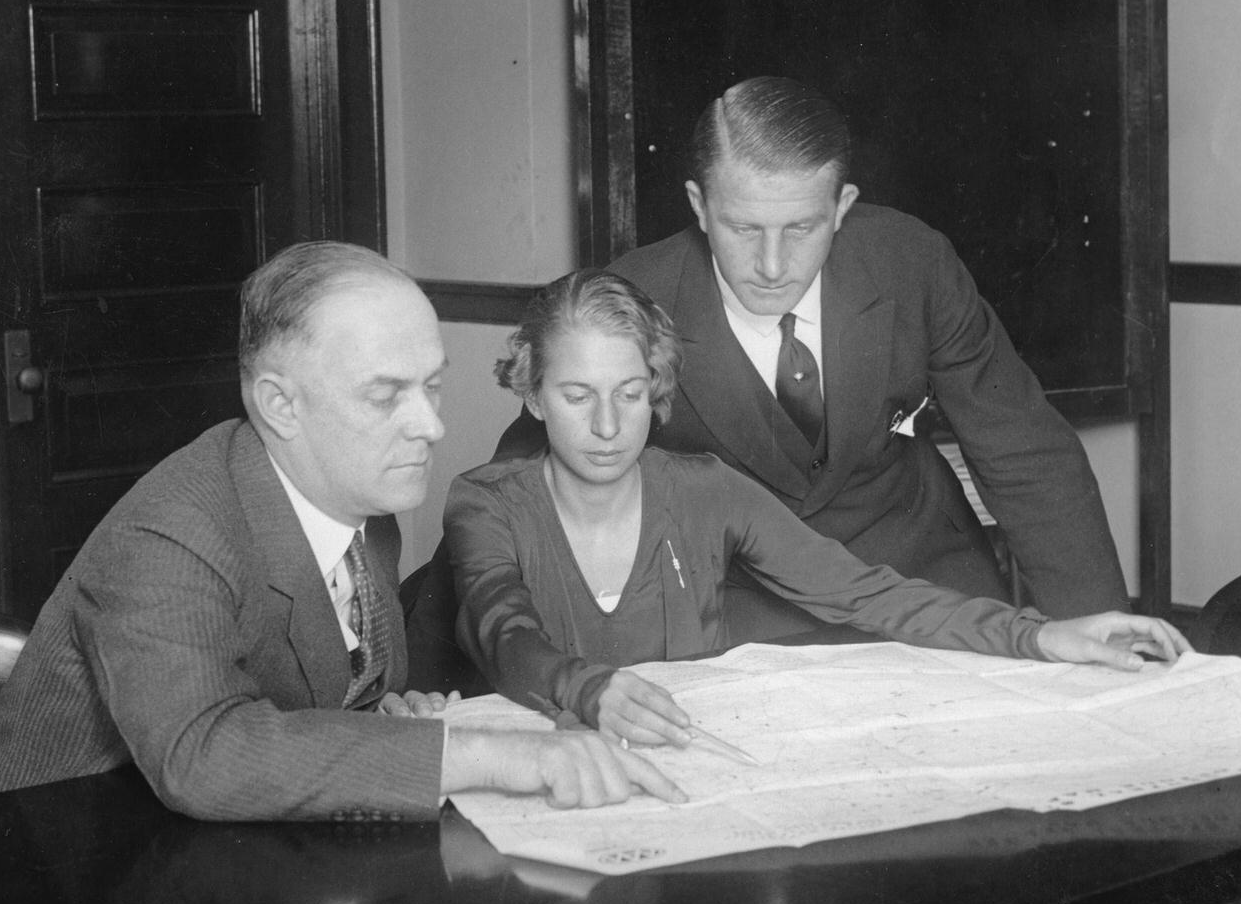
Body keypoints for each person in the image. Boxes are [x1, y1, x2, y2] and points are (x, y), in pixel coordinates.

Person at [0, 242, 685, 819]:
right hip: (31, 882)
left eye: (430, 385)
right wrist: (475, 753)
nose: (431, 425)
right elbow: (202, 754)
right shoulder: (169, 534)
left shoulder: (363, 508)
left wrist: (391, 722)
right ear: (280, 405)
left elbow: (322, 704)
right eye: (386, 396)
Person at [474, 76, 1129, 651]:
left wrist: (1105, 638)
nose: (770, 266)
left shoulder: (912, 262)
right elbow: (519, 489)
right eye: (742, 229)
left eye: (801, 230)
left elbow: (1027, 455)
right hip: (735, 609)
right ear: (700, 206)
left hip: (928, 583)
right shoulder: (633, 297)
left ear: (842, 206)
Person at [445, 270, 1187, 746]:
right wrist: (589, 689)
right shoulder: (486, 503)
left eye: (630, 394)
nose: (608, 426)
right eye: (578, 396)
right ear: (533, 394)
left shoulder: (705, 489)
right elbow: (502, 631)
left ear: (658, 390)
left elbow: (869, 594)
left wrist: (1045, 636)